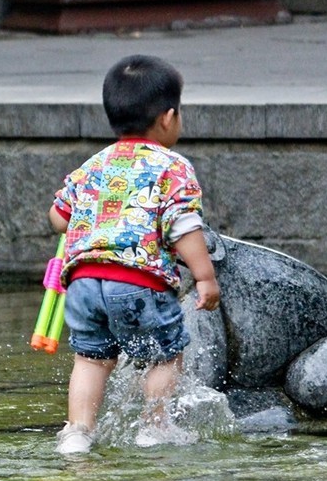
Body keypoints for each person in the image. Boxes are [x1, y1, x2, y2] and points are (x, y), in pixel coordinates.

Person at [49, 54, 221, 455]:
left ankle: (77, 433)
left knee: (91, 360)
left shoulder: (94, 163)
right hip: (139, 282)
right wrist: (205, 276)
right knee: (166, 354)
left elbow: (58, 217)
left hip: (83, 283)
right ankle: (155, 426)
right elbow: (183, 226)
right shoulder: (172, 166)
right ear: (168, 117)